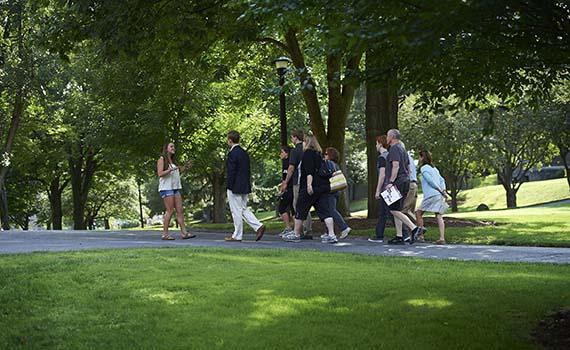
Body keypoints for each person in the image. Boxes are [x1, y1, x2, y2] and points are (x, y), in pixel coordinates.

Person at [282, 135, 337, 243]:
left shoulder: (307, 154)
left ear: (307, 143)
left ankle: (296, 234)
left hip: (311, 187)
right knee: (325, 212)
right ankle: (332, 234)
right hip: (322, 187)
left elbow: (309, 172)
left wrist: (309, 185)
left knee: (300, 209)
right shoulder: (319, 155)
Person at [224, 130, 266, 242]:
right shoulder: (244, 153)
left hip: (235, 186)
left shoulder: (232, 153)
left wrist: (230, 186)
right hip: (244, 185)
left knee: (236, 211)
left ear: (230, 140)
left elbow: (231, 172)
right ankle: (258, 226)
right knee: (243, 209)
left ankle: (237, 235)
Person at [384, 129, 424, 244]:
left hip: (398, 182)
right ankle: (399, 236)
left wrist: (391, 182)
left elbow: (395, 166)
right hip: (405, 181)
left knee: (394, 210)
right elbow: (408, 167)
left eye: (387, 136)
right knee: (396, 209)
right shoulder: (403, 150)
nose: (387, 138)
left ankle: (414, 228)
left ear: (392, 136)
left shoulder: (394, 148)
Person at [156, 142, 196, 240]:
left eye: (174, 146)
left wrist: (186, 167)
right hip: (166, 188)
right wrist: (169, 171)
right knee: (170, 211)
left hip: (175, 188)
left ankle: (184, 233)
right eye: (171, 146)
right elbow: (160, 173)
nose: (174, 148)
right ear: (166, 149)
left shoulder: (173, 161)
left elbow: (178, 171)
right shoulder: (162, 159)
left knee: (180, 211)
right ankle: (165, 234)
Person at [281, 129, 312, 239]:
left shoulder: (295, 151)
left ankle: (301, 230)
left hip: (297, 181)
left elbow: (291, 168)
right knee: (306, 204)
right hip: (308, 180)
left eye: (292, 137)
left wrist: (286, 182)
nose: (291, 140)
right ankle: (308, 229)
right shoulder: (308, 149)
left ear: (295, 137)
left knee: (297, 205)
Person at [416, 150, 448, 244]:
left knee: (418, 213)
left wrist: (439, 190)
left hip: (431, 195)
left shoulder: (424, 168)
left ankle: (421, 236)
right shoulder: (434, 169)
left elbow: (430, 181)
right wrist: (443, 191)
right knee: (439, 215)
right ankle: (442, 238)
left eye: (419, 157)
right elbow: (442, 180)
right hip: (439, 195)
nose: (418, 159)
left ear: (422, 157)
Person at [323, 147, 351, 239]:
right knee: (329, 211)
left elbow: (328, 175)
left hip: (331, 190)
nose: (324, 155)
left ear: (330, 155)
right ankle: (328, 231)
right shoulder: (336, 164)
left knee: (331, 210)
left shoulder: (329, 163)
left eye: (326, 154)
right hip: (336, 190)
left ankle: (344, 228)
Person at [369, 135, 390, 243]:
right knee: (393, 211)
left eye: (376, 143)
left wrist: (377, 190)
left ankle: (379, 235)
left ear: (380, 144)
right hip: (391, 187)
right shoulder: (390, 156)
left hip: (385, 189)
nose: (376, 146)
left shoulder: (382, 158)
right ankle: (405, 233)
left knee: (384, 212)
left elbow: (382, 175)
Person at [399, 145, 419, 240]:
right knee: (410, 211)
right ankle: (415, 232)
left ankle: (418, 228)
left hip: (410, 184)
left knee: (403, 210)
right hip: (414, 184)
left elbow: (408, 171)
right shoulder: (409, 157)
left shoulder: (404, 157)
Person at [278, 146, 294, 237]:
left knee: (282, 207)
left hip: (290, 188)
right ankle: (296, 229)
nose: (280, 154)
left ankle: (288, 228)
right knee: (292, 208)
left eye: (282, 152)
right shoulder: (284, 162)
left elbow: (286, 178)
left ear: (287, 153)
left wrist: (283, 187)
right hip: (288, 187)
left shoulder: (289, 163)